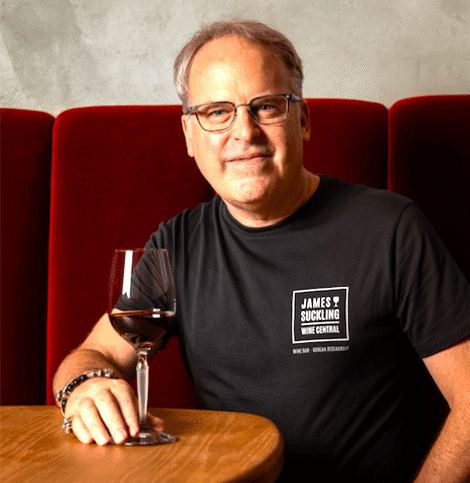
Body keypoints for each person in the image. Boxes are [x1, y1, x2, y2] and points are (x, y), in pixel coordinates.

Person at [53, 19, 470, 482]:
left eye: (266, 106)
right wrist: (83, 387)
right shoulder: (176, 245)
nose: (244, 132)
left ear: (303, 119)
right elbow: (95, 355)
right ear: (189, 135)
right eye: (217, 112)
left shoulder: (389, 229)